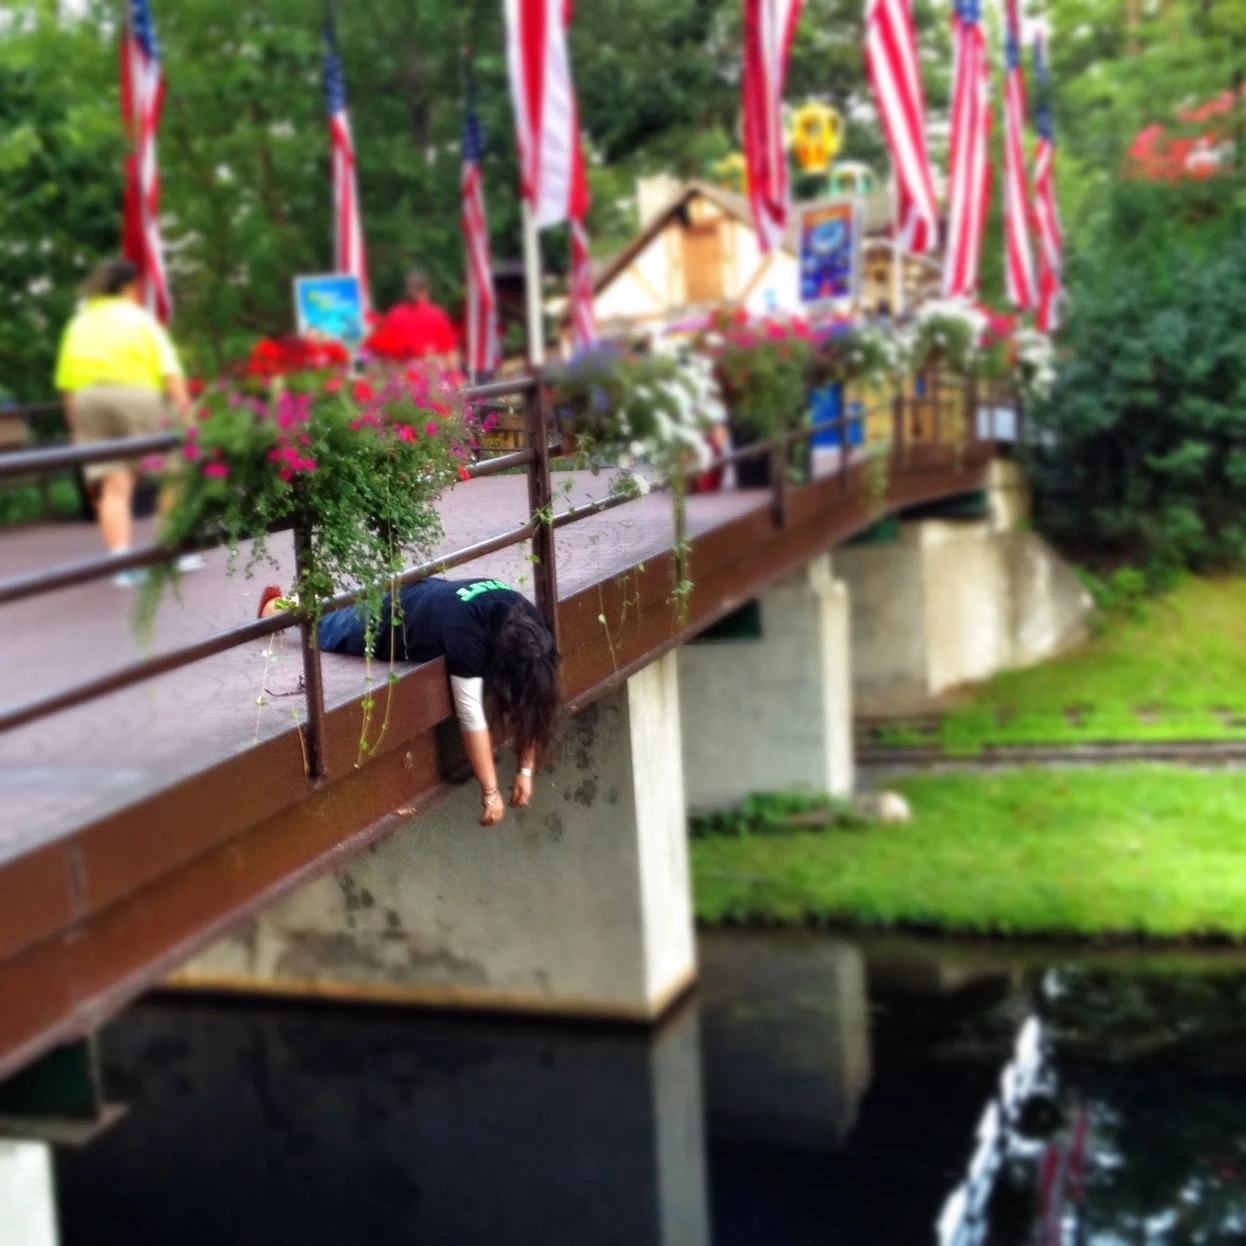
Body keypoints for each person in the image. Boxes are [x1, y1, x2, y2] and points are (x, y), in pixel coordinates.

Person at [258, 577, 559, 826]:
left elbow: (534, 703)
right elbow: (471, 716)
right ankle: (276, 609)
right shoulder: (468, 637)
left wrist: (525, 770)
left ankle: (318, 598)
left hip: (430, 591)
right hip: (398, 617)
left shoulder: (534, 631)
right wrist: (491, 791)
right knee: (331, 627)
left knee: (351, 608)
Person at [54, 257, 199, 583]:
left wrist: (76, 427)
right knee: (175, 470)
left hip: (89, 400)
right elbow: (169, 371)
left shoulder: (81, 322)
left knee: (113, 485)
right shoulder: (138, 319)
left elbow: (67, 384)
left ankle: (121, 565)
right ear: (127, 286)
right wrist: (187, 415)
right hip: (136, 395)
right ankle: (172, 551)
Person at [365, 270, 459, 367]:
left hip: (401, 373)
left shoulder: (395, 314)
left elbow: (385, 352)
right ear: (427, 289)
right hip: (430, 372)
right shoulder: (438, 314)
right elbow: (450, 353)